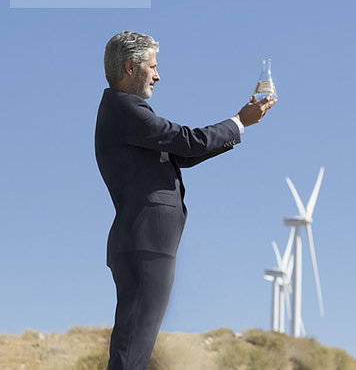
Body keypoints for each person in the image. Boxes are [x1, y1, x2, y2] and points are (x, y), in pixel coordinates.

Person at [95, 31, 276, 369]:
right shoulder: (126, 109)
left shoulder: (127, 115)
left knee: (136, 343)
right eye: (153, 66)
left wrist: (239, 126)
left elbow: (183, 153)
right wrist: (239, 122)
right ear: (131, 67)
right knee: (133, 344)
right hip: (145, 242)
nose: (158, 75)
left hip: (144, 242)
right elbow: (186, 141)